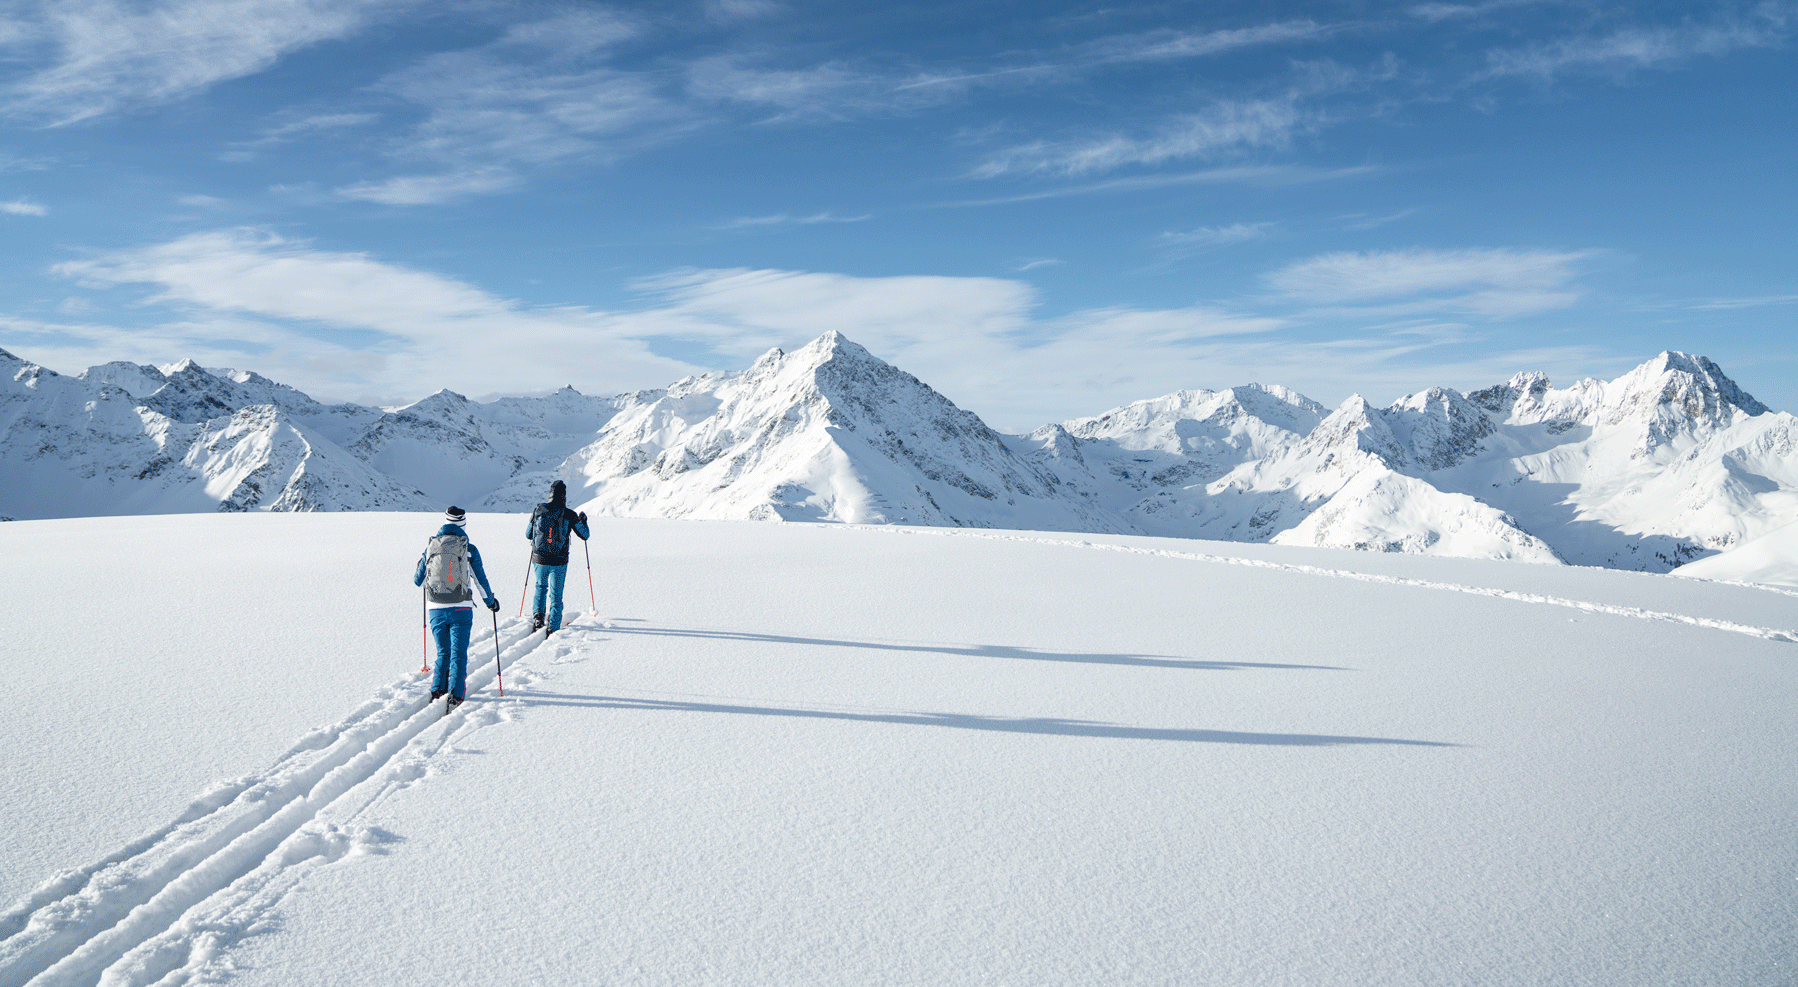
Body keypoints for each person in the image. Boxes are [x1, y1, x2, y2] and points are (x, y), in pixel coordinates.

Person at [414, 506, 499, 708]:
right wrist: (490, 602)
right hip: (461, 608)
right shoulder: (469, 548)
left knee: (443, 652)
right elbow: (480, 580)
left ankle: (437, 689)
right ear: (463, 524)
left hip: (435, 608)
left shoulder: (431, 547)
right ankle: (456, 694)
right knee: (458, 653)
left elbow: (418, 580)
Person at [526, 479, 590, 636]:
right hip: (558, 560)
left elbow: (528, 534)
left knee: (540, 587)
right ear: (564, 496)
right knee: (556, 593)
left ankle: (538, 619)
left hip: (539, 558)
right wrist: (583, 521)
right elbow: (585, 535)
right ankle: (553, 628)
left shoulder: (538, 510)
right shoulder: (569, 514)